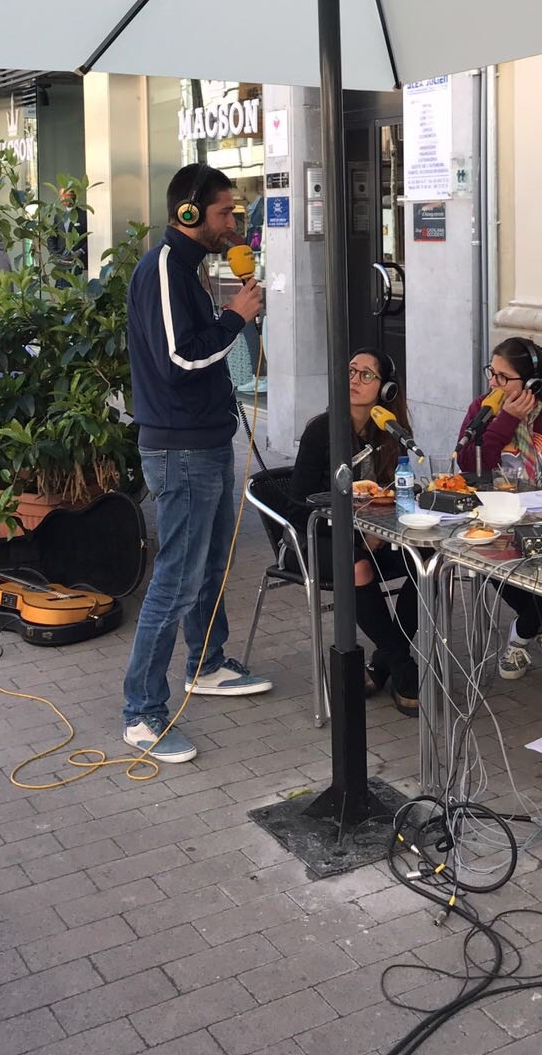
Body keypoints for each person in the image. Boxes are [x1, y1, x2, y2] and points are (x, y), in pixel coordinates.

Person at [122, 163, 268, 765]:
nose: (234, 223)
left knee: (209, 561)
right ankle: (141, 711)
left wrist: (233, 315)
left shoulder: (189, 270)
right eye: (224, 214)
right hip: (179, 448)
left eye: (235, 212)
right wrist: (236, 316)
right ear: (187, 214)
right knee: (178, 575)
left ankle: (205, 664)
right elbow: (182, 355)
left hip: (206, 438)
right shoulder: (162, 268)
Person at [289, 349, 421, 716]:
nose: (355, 380)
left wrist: (382, 527)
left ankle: (380, 665)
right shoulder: (323, 430)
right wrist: (359, 535)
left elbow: (401, 494)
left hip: (377, 534)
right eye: (351, 371)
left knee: (424, 558)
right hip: (320, 536)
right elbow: (298, 503)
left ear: (387, 389)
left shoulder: (392, 432)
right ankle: (402, 666)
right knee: (358, 565)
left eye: (367, 375)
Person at [457, 338, 542, 679]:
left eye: (503, 377)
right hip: (498, 513)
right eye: (492, 373)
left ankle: (521, 635)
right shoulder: (482, 409)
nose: (493, 383)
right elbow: (469, 462)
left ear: (531, 383)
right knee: (489, 560)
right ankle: (538, 625)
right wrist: (504, 421)